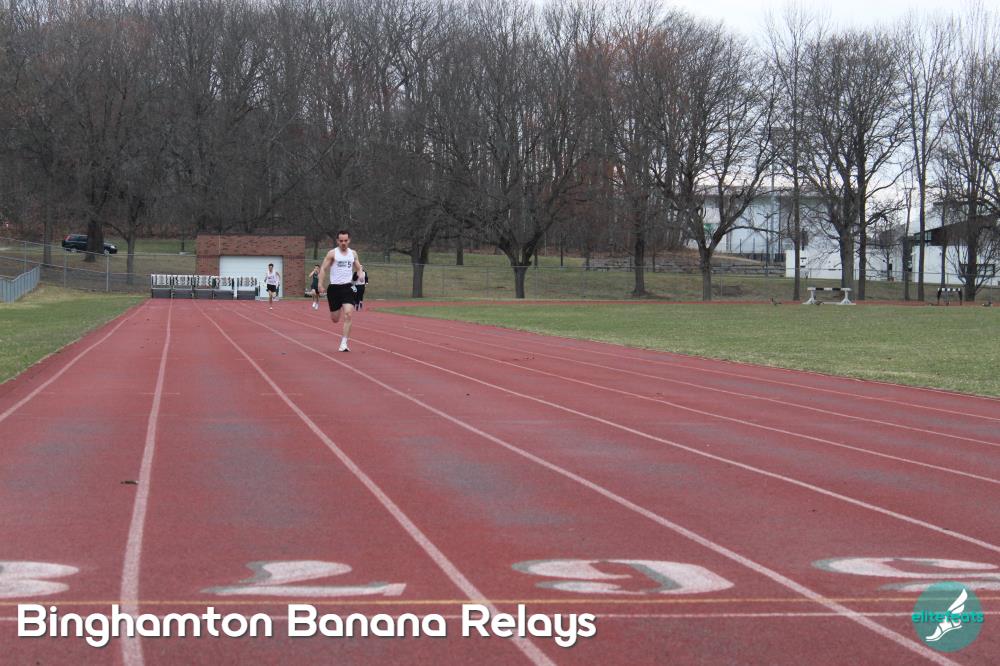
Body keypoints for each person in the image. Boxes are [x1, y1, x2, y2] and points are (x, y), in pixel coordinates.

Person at [318, 230, 362, 352]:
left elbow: (358, 268)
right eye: (341, 241)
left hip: (347, 287)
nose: (343, 243)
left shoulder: (353, 254)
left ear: (349, 240)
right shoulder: (332, 254)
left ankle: (344, 343)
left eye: (345, 240)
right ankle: (337, 310)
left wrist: (360, 275)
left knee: (349, 314)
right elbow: (323, 268)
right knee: (335, 319)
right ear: (337, 241)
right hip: (334, 289)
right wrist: (320, 284)